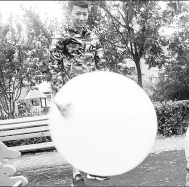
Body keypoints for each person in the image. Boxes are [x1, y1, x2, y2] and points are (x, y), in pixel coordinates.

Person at [48, 1, 110, 186]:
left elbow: (102, 64)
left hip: (91, 93)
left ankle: (92, 169)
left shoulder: (93, 37)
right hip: (70, 92)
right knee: (73, 132)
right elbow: (53, 67)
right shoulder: (60, 36)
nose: (82, 18)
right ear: (70, 12)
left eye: (85, 14)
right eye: (78, 14)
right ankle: (76, 173)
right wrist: (60, 97)